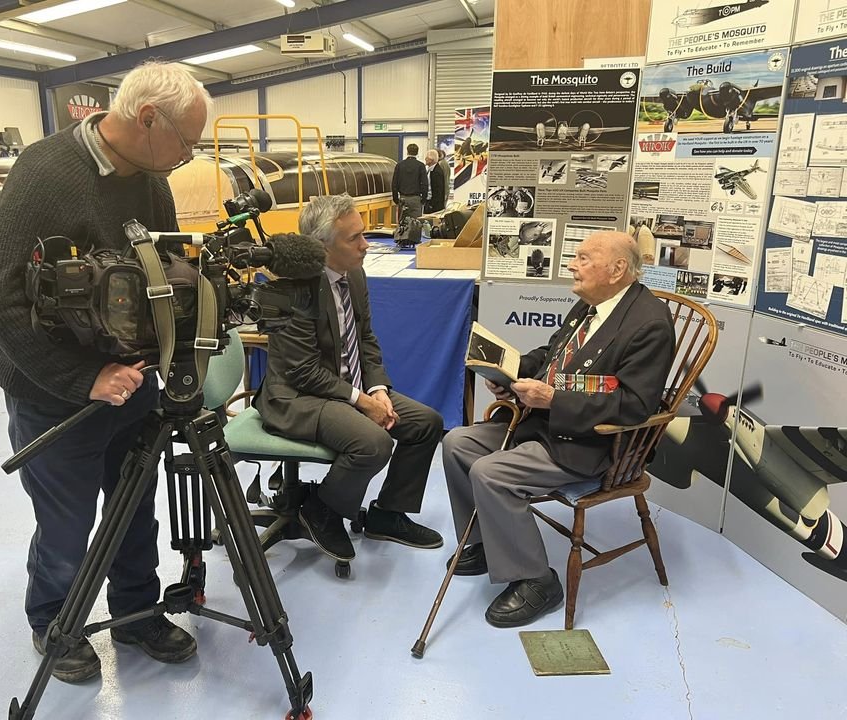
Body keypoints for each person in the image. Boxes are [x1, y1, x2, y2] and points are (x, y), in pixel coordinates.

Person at [0, 60, 210, 683]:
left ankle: (136, 613)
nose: (190, 153)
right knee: (67, 521)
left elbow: (158, 282)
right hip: (58, 394)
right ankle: (55, 621)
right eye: (187, 140)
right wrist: (83, 380)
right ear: (147, 118)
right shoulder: (46, 175)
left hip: (131, 381)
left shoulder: (151, 178)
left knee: (134, 509)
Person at [442, 230, 675, 628]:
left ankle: (537, 579)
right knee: (456, 443)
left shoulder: (649, 324)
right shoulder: (593, 304)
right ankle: (483, 540)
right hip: (548, 424)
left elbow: (635, 406)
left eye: (584, 258)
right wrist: (510, 373)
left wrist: (553, 401)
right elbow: (551, 358)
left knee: (490, 472)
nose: (571, 264)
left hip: (594, 442)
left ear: (617, 269)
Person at [255, 193, 444, 561]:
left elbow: (366, 338)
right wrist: (362, 402)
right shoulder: (291, 290)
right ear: (322, 247)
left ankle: (387, 515)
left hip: (347, 386)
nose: (366, 244)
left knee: (425, 423)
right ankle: (321, 510)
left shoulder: (353, 274)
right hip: (298, 395)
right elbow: (303, 372)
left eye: (363, 234)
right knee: (373, 443)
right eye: (354, 238)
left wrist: (378, 389)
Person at [392, 143, 428, 221]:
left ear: (407, 152)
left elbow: (394, 183)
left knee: (402, 223)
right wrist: (423, 199)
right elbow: (424, 184)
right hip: (416, 199)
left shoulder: (399, 165)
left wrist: (396, 199)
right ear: (417, 153)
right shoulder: (421, 166)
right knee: (416, 224)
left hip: (403, 198)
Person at [424, 150, 446, 214]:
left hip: (434, 205)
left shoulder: (437, 172)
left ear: (431, 159)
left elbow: (438, 190)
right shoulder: (430, 170)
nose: (425, 159)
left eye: (427, 157)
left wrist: (432, 204)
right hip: (429, 202)